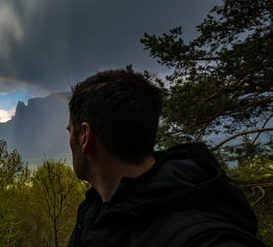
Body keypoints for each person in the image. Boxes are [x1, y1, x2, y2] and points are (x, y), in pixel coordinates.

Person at [66, 70, 266, 247]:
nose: (69, 139)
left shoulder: (200, 237)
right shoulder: (93, 213)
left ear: (85, 136)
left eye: (69, 131)